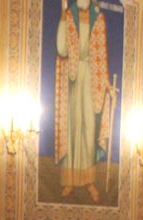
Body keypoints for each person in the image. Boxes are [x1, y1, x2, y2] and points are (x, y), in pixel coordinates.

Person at [54, 0, 110, 202]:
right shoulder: (69, 17)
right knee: (72, 127)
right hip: (73, 78)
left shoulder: (99, 19)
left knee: (89, 127)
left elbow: (101, 55)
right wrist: (62, 17)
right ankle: (69, 180)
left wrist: (106, 83)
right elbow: (62, 49)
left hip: (92, 80)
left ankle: (89, 180)